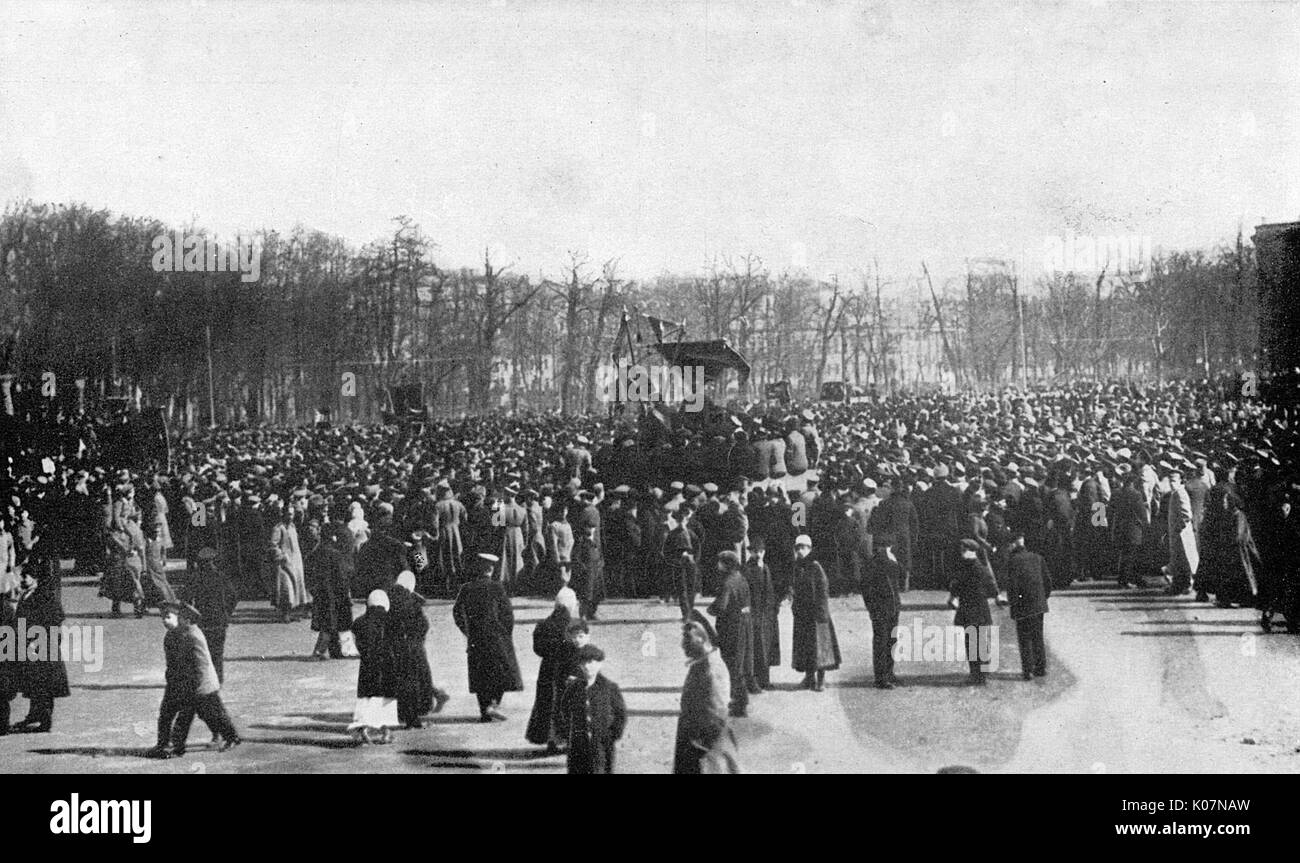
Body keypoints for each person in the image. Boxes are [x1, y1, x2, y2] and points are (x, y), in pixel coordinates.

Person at [147, 601, 241, 758]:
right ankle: (163, 745)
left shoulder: (192, 635)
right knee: (166, 713)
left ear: (182, 618)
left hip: (199, 685)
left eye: (168, 617)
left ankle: (231, 737)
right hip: (178, 682)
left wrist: (195, 688)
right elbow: (172, 663)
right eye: (162, 617)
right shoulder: (171, 635)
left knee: (208, 714)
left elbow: (202, 664)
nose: (164, 621)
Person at [452, 552, 523, 722]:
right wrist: (505, 633)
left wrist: (467, 631)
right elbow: (508, 615)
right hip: (497, 637)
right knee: (501, 673)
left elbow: (457, 613)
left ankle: (485, 712)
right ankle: (494, 704)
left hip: (476, 638)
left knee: (480, 675)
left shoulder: (466, 589)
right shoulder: (497, 587)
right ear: (490, 570)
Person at [673, 612, 740, 774]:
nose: (683, 645)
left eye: (687, 639)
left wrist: (699, 747)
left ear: (701, 639)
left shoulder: (711, 670)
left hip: (705, 748)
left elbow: (716, 715)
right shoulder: (702, 664)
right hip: (695, 742)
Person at [555, 644, 627, 774]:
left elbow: (620, 714)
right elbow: (564, 710)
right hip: (578, 745)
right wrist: (569, 734)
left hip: (602, 744)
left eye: (591, 662)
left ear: (600, 664)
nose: (587, 667)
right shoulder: (573, 688)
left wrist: (612, 735)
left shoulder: (609, 688)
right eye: (584, 663)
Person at [387, 569, 445, 728]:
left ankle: (434, 695)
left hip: (398, 644)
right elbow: (423, 567)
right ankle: (434, 696)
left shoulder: (407, 553)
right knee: (416, 677)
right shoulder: (413, 553)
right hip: (412, 645)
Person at [708, 549, 757, 716]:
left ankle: (740, 704)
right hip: (744, 624)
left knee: (732, 666)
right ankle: (740, 702)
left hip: (731, 627)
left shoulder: (727, 582)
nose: (718, 565)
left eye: (720, 562)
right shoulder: (741, 578)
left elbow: (721, 606)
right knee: (739, 663)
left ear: (726, 564)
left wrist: (711, 609)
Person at [349, 590, 401, 745]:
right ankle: (386, 732)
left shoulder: (358, 622)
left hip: (367, 666)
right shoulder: (392, 621)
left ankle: (364, 729)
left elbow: (356, 643)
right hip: (387, 665)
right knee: (386, 700)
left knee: (366, 699)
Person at [525, 595, 576, 752]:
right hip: (567, 669)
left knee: (547, 703)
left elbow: (538, 649)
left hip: (547, 669)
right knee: (567, 703)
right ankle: (567, 740)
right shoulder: (573, 625)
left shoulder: (544, 624)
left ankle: (551, 740)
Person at [790, 533, 840, 691]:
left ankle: (821, 680)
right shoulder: (798, 567)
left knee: (820, 648)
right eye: (798, 548)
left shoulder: (815, 566)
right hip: (803, 613)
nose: (800, 551)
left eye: (803, 548)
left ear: (809, 549)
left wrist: (822, 612)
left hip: (817, 614)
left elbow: (823, 589)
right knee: (805, 647)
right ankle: (809, 678)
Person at [187, 546, 237, 685]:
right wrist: (227, 613)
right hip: (219, 621)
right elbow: (233, 596)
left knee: (201, 652)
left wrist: (191, 617)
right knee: (217, 652)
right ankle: (218, 680)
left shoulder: (195, 578)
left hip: (202, 621)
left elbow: (186, 600)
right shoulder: (221, 577)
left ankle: (204, 679)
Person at [305, 520, 355, 660]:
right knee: (330, 623)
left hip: (321, 591)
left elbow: (309, 569)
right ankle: (319, 651)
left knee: (330, 621)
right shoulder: (336, 554)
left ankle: (335, 650)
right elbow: (342, 576)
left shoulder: (317, 551)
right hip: (334, 593)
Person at [948, 538, 996, 685]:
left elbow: (957, 586)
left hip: (973, 609)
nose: (961, 553)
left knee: (975, 642)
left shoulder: (971, 568)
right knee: (976, 641)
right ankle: (980, 673)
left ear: (971, 551)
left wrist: (957, 595)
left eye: (964, 550)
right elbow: (992, 589)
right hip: (978, 609)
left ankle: (978, 675)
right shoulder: (977, 567)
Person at [1005, 530, 1051, 680]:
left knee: (1024, 638)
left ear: (1012, 544)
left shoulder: (1012, 561)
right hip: (1038, 604)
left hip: (1022, 605)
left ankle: (1028, 670)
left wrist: (1014, 603)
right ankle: (1041, 667)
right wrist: (1043, 598)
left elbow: (1012, 586)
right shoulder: (1038, 558)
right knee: (1037, 636)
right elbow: (1048, 582)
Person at [860, 532, 903, 689]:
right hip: (881, 609)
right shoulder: (877, 562)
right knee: (881, 642)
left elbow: (897, 578)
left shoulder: (890, 560)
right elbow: (866, 589)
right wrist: (871, 608)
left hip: (892, 607)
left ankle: (889, 673)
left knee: (891, 640)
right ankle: (881, 678)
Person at [742, 536, 779, 690]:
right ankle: (754, 681)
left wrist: (774, 608)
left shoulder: (766, 567)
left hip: (768, 615)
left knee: (767, 647)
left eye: (761, 551)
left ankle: (765, 680)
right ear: (750, 552)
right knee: (755, 648)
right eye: (755, 551)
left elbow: (770, 590)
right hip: (754, 615)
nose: (758, 554)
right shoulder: (746, 569)